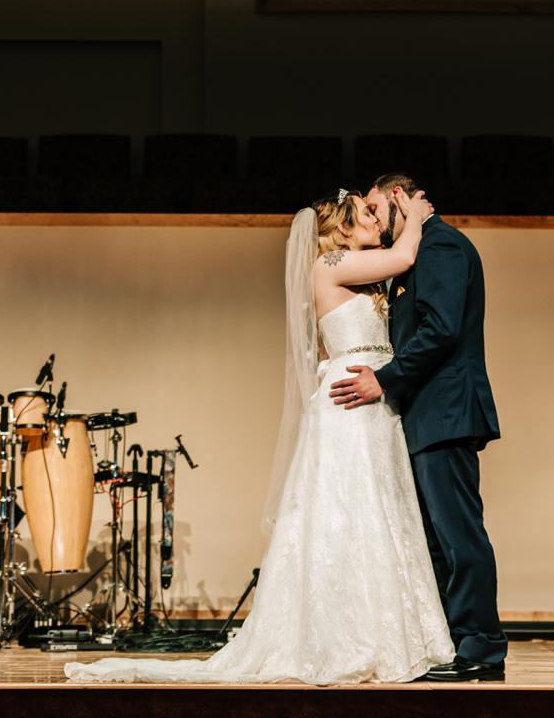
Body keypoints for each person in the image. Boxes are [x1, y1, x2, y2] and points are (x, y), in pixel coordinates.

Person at [66, 187, 452, 684]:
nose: (375, 220)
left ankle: (388, 630)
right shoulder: (330, 264)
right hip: (350, 406)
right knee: (351, 513)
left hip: (375, 405)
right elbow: (404, 254)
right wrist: (417, 215)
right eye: (364, 213)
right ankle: (348, 634)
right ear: (341, 228)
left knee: (379, 512)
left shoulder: (361, 273)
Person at [327, 172, 507, 682]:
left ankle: (482, 648)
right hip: (426, 413)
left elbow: (442, 329)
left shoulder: (442, 245)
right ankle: (454, 642)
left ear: (398, 198)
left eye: (377, 211)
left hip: (446, 411)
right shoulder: (419, 249)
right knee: (434, 541)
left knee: (458, 536)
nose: (376, 225)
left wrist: (384, 380)